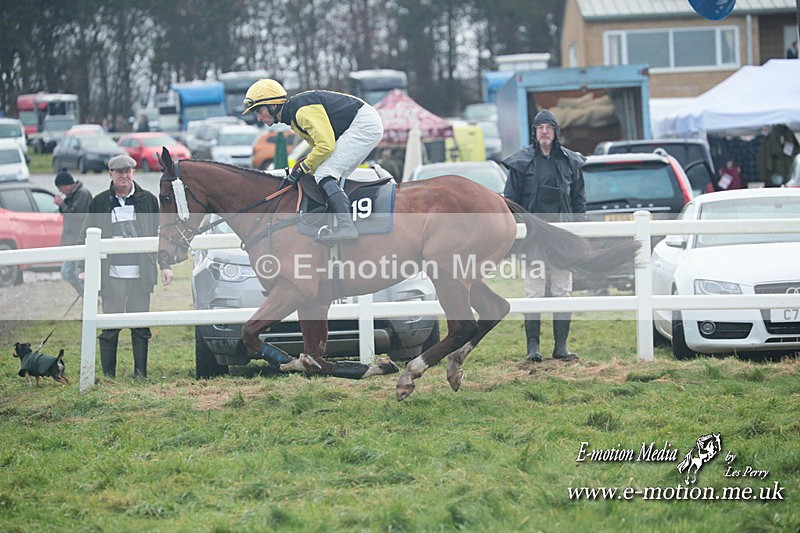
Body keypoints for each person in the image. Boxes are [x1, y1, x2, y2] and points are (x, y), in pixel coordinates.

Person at [242, 79, 384, 244]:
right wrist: (306, 169)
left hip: (364, 124)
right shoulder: (293, 117)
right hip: (363, 122)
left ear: (273, 105)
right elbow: (319, 148)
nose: (259, 118)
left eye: (259, 111)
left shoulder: (301, 112)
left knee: (325, 173)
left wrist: (302, 168)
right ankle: (339, 223)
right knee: (326, 174)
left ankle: (347, 227)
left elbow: (326, 146)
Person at [502, 109, 587, 362]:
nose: (545, 132)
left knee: (562, 290)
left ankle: (561, 347)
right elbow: (511, 202)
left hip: (563, 237)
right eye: (541, 127)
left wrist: (581, 233)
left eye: (549, 127)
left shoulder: (571, 162)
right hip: (533, 238)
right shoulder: (521, 163)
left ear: (556, 132)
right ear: (534, 132)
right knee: (534, 292)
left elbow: (579, 201)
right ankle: (533, 348)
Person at [81, 154, 173, 379]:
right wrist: (85, 268)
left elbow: (159, 235)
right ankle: (108, 376)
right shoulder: (99, 202)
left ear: (133, 172)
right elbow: (87, 236)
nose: (123, 175)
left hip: (141, 274)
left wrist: (165, 265)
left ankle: (141, 374)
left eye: (127, 171)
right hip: (111, 276)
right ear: (110, 174)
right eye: (119, 172)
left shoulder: (149, 200)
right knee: (109, 326)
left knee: (140, 326)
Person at [54, 168, 92, 295]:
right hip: (71, 242)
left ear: (66, 185)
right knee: (66, 272)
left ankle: (90, 300)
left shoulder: (82, 194)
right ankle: (84, 296)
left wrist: (61, 204)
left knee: (79, 274)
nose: (61, 192)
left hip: (79, 241)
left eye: (61, 189)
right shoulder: (72, 196)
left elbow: (75, 216)